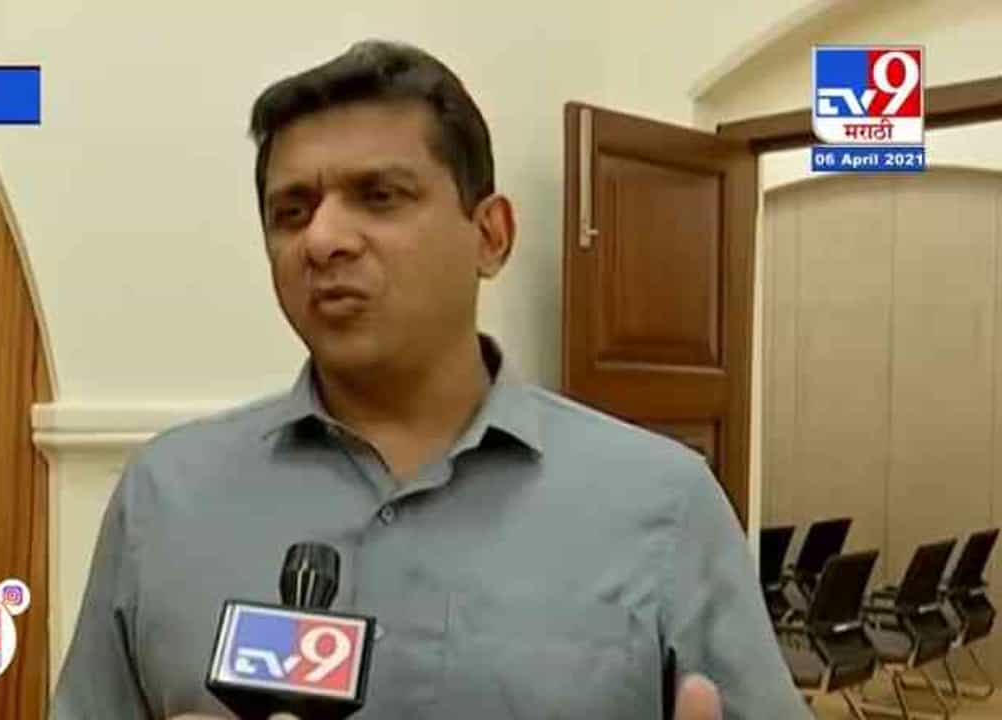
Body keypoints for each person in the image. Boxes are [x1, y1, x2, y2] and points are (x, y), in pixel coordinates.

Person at [51, 40, 809, 720]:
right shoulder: (166, 497)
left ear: (491, 235)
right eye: (292, 211)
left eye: (380, 197)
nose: (322, 239)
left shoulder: (664, 507)